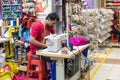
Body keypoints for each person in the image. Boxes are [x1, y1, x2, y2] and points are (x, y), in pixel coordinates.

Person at [29, 12, 59, 79]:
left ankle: (53, 76)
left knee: (58, 57)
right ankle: (54, 77)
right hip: (36, 50)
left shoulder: (49, 26)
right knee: (55, 60)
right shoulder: (37, 25)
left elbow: (55, 35)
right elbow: (31, 40)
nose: (53, 25)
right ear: (48, 19)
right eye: (53, 23)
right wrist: (44, 45)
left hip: (44, 49)